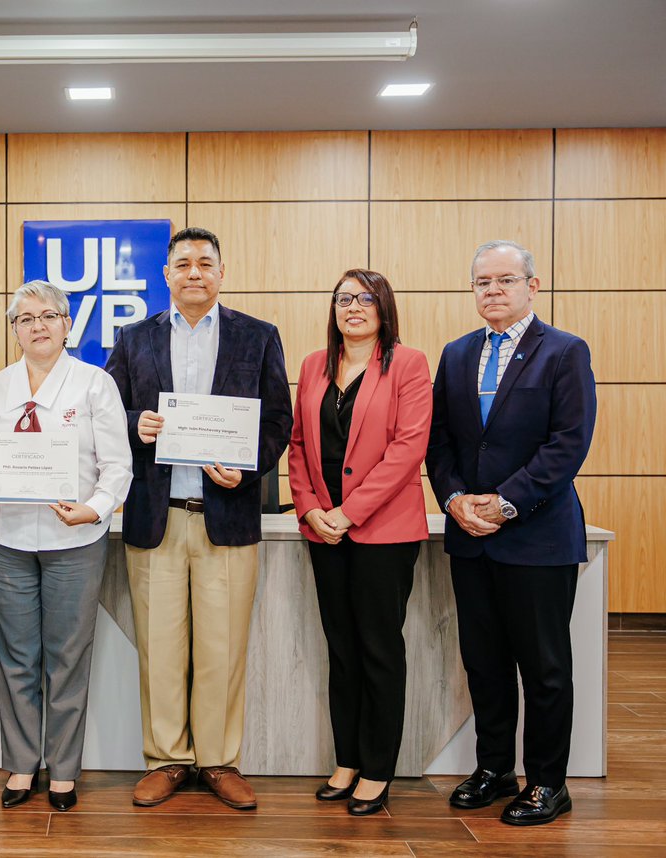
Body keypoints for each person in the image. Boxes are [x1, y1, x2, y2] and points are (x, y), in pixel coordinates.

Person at [105, 226, 292, 810]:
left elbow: (277, 423)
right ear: (166, 274)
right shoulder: (133, 339)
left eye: (204, 263)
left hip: (227, 517)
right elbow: (106, 416)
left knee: (222, 647)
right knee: (160, 647)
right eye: (182, 263)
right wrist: (135, 423)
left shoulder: (257, 337)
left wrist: (249, 469)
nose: (193, 272)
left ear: (221, 272)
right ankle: (166, 759)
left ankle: (218, 760)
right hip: (156, 518)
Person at [426, 240, 597, 826]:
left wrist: (503, 504)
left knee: (544, 667)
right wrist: (452, 498)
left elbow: (567, 445)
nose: (493, 291)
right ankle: (494, 768)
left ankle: (549, 782)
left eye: (505, 280)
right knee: (485, 662)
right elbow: (440, 442)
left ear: (532, 285)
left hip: (537, 537)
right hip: (470, 536)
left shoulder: (565, 352)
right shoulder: (456, 354)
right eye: (482, 282)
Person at [0, 280, 131, 812]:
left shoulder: (95, 384)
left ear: (66, 323)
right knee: (17, 655)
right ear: (14, 330)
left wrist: (95, 509)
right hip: (4, 536)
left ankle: (63, 770)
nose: (37, 326)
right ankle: (21, 764)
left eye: (47, 316)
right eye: (25, 318)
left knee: (67, 655)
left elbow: (118, 467)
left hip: (73, 538)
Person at [287, 269, 432, 816]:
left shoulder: (408, 364)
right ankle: (346, 759)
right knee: (341, 650)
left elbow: (407, 449)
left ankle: (377, 768)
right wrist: (311, 509)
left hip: (382, 533)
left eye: (364, 299)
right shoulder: (312, 366)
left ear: (383, 308)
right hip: (325, 531)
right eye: (343, 298)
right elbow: (299, 447)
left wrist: (348, 512)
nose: (352, 307)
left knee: (378, 649)